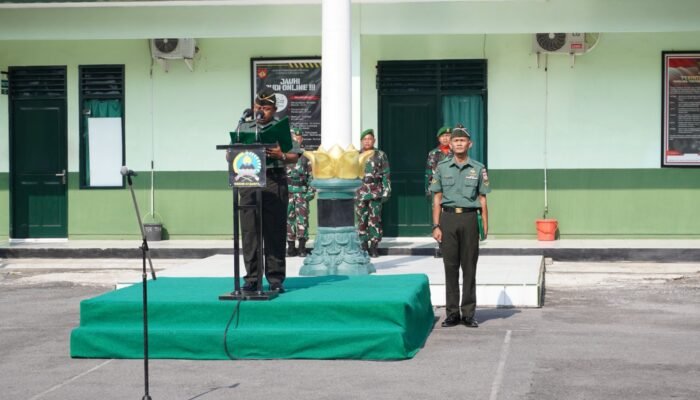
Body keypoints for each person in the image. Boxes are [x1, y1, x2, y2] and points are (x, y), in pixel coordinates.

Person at [231, 87, 302, 293]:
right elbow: (230, 154)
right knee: (250, 233)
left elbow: (295, 156)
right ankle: (252, 279)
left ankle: (275, 279)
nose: (261, 110)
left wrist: (281, 155)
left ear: (274, 109)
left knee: (274, 232)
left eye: (266, 108)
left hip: (274, 181)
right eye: (258, 106)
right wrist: (231, 154)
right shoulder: (243, 127)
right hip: (248, 183)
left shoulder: (281, 129)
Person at [429, 126, 490, 328]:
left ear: (469, 144)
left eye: (463, 141)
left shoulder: (478, 168)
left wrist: (485, 227)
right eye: (456, 141)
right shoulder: (442, 168)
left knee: (470, 268)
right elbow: (437, 198)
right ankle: (452, 313)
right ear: (450, 144)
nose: (459, 144)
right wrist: (436, 225)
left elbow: (482, 199)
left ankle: (469, 313)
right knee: (450, 268)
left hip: (470, 219)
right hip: (448, 220)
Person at [355, 128, 391, 258]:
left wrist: (387, 190)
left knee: (375, 219)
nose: (367, 141)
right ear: (361, 141)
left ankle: (374, 246)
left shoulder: (380, 155)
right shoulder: (356, 155)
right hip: (360, 191)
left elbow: (386, 174)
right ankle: (363, 245)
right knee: (361, 220)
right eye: (364, 139)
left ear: (374, 140)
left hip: (375, 191)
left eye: (369, 139)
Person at [286, 128, 315, 257]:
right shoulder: (284, 155)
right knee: (288, 219)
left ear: (301, 139)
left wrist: (310, 193)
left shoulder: (306, 157)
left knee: (302, 220)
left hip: (301, 193)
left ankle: (302, 247)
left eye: (298, 137)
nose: (295, 139)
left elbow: (312, 177)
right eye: (293, 137)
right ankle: (290, 247)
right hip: (287, 193)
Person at [425, 126, 453, 198]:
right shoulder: (433, 153)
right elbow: (429, 173)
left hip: (453, 188)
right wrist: (428, 190)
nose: (445, 138)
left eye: (447, 136)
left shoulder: (457, 152)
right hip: (437, 188)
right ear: (438, 138)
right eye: (442, 136)